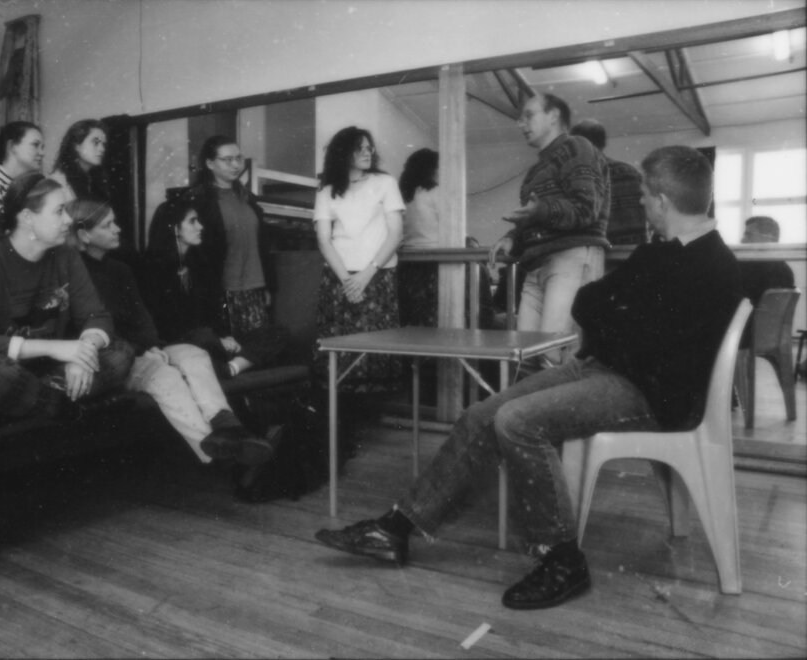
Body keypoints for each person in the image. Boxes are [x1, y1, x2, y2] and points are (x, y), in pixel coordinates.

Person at [316, 146, 742, 611]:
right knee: (482, 413)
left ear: (661, 200)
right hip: (609, 369)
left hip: (649, 394)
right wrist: (618, 323)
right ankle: (395, 529)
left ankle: (562, 558)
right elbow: (589, 303)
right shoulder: (658, 253)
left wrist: (616, 322)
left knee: (517, 421)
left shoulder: (714, 267)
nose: (639, 202)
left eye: (643, 194)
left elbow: (638, 338)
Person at [68, 198, 272, 466]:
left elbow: (142, 317)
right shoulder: (76, 273)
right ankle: (219, 453)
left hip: (145, 349)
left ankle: (227, 426)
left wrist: (151, 345)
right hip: (115, 359)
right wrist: (142, 351)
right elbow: (91, 328)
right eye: (108, 225)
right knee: (167, 377)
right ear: (84, 235)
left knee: (194, 355)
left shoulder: (119, 269)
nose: (118, 229)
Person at [0, 173, 133, 426]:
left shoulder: (66, 256)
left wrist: (83, 353)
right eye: (59, 211)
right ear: (27, 218)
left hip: (43, 371)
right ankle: (66, 407)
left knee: (121, 352)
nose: (68, 220)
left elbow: (95, 316)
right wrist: (54, 348)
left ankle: (28, 403)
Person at [489, 93, 610, 365]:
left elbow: (586, 209)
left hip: (570, 260)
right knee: (525, 357)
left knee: (553, 357)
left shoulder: (578, 147)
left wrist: (540, 211)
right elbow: (535, 216)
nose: (521, 123)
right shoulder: (535, 171)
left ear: (554, 116)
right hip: (539, 267)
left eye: (529, 115)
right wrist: (512, 237)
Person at [143, 198, 289, 380]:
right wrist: (216, 339)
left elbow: (213, 312)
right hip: (183, 343)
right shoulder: (153, 268)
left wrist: (224, 336)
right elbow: (165, 325)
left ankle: (231, 368)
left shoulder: (199, 264)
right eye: (192, 221)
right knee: (203, 337)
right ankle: (233, 363)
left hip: (212, 341)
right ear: (175, 229)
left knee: (277, 333)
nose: (200, 226)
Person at [313, 126, 404, 393]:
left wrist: (365, 275)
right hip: (339, 277)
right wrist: (347, 280)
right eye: (359, 148)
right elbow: (323, 240)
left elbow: (396, 234)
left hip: (376, 275)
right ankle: (342, 405)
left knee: (374, 341)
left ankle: (372, 404)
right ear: (343, 152)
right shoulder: (327, 190)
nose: (367, 153)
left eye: (368, 148)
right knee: (340, 343)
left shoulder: (385, 183)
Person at [189, 135, 283, 357]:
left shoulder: (247, 198)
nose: (235, 165)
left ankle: (233, 369)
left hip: (254, 288)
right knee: (227, 348)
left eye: (238, 158)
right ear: (210, 163)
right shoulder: (199, 201)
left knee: (261, 345)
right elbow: (199, 256)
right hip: (222, 291)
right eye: (227, 160)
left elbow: (262, 246)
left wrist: (267, 286)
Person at [570, 119, 648, 245]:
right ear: (603, 143)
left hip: (603, 250)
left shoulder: (581, 177)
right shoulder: (630, 171)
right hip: (636, 248)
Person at [397, 148, 440, 328]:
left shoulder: (403, 194)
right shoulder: (435, 192)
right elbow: (451, 225)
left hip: (407, 261)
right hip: (435, 259)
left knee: (412, 314)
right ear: (431, 169)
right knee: (434, 313)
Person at [737, 215, 794, 305]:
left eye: (748, 235)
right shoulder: (784, 269)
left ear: (767, 238)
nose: (742, 240)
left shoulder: (753, 268)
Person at [50, 119, 109, 201]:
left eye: (103, 144)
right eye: (95, 142)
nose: (102, 149)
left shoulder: (95, 179)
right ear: (76, 145)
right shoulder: (59, 182)